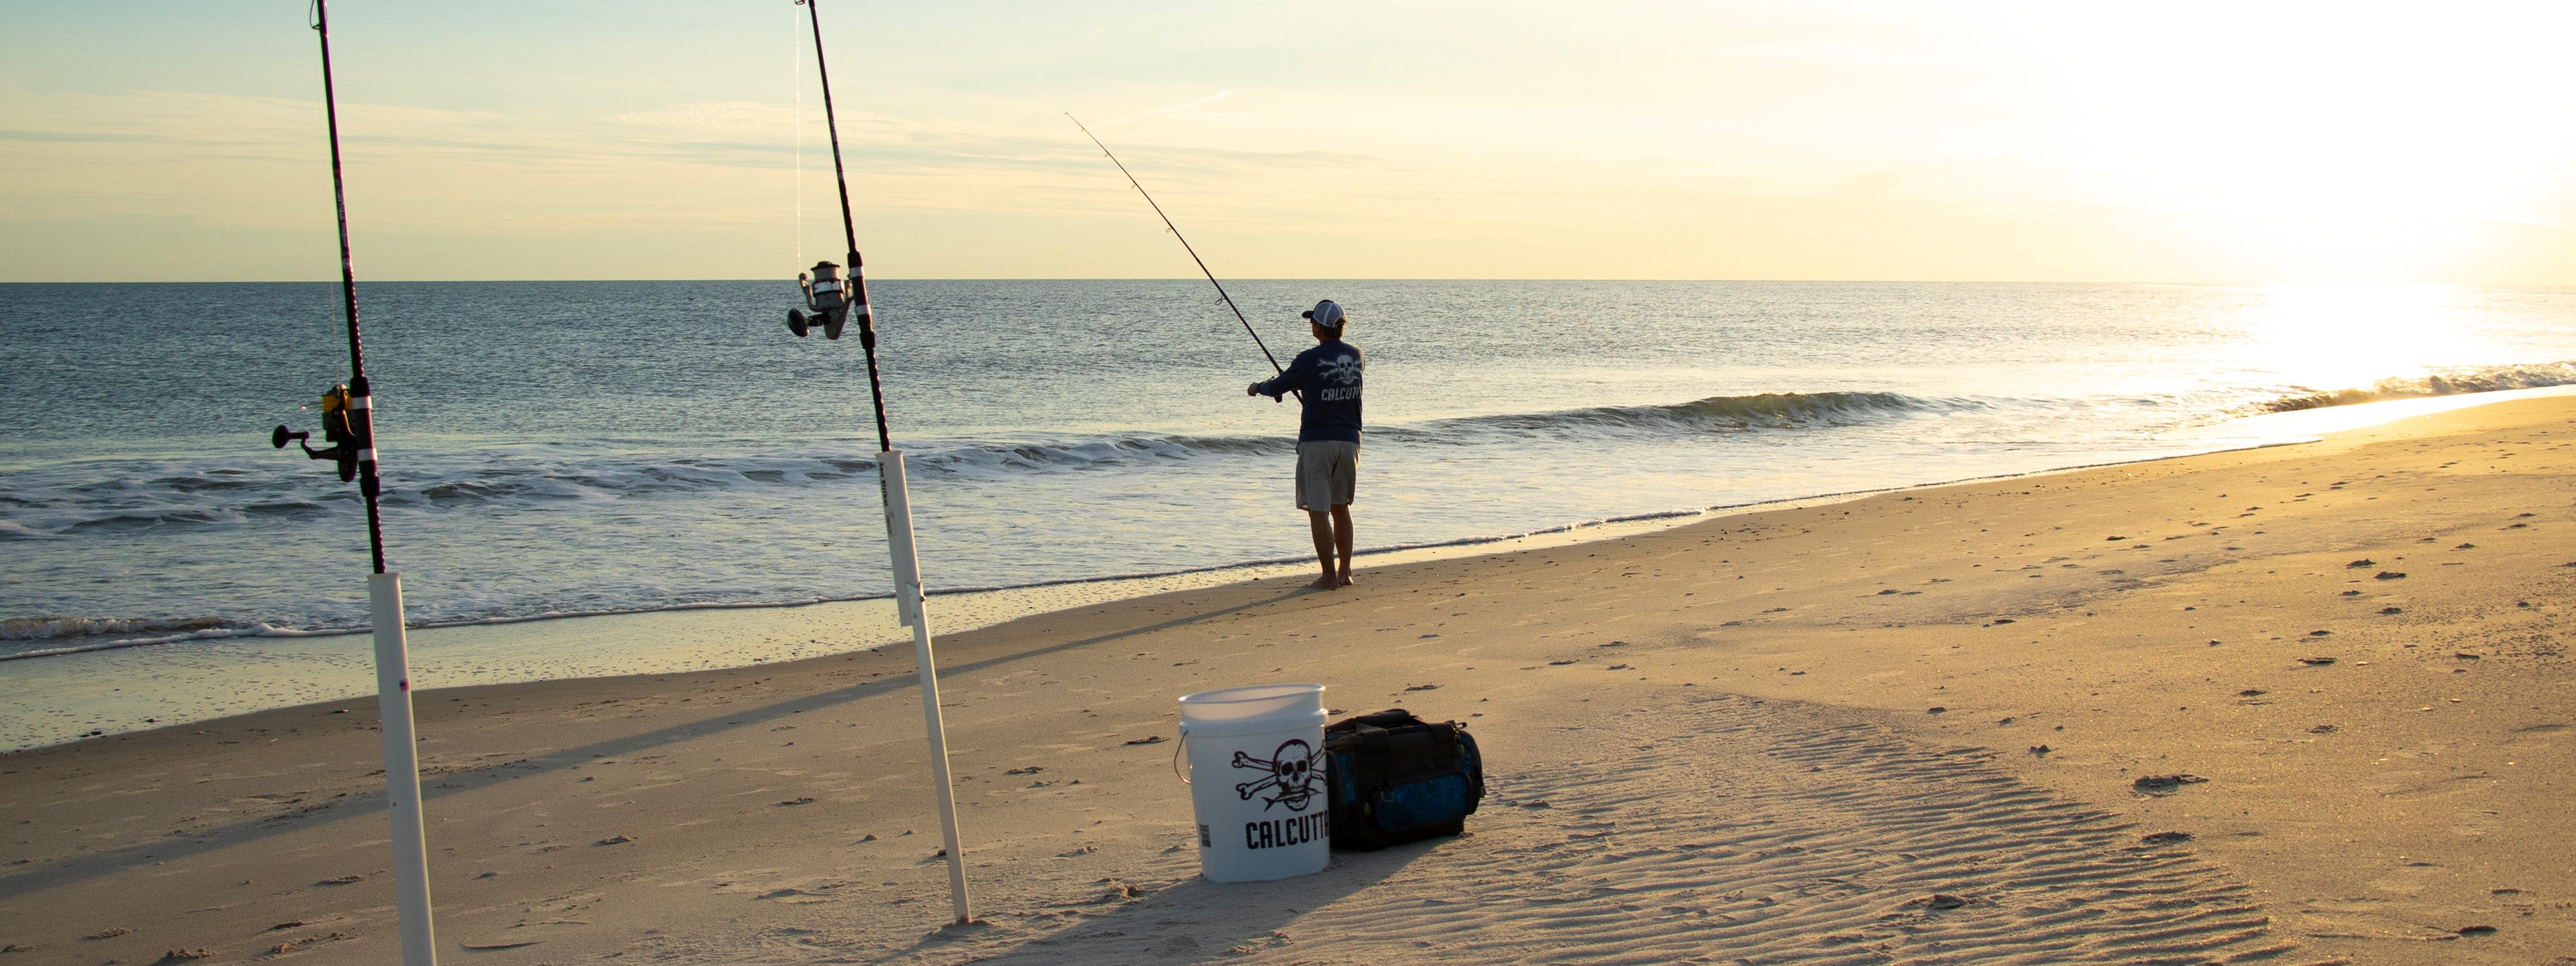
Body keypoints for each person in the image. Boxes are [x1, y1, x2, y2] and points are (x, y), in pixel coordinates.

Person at [1248, 299, 1364, 589]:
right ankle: (1345, 572)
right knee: (1341, 507)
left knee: (1319, 510)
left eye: (1313, 321)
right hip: (1350, 441)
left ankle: (1327, 576)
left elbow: (1278, 386)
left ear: (1320, 327)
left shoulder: (1308, 358)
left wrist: (1259, 388)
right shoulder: (1357, 356)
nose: (1311, 325)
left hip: (1317, 441)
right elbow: (1328, 383)